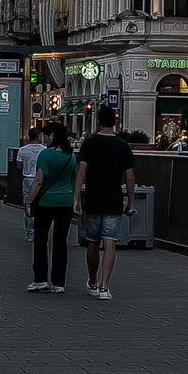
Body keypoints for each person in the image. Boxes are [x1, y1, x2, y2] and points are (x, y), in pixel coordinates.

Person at [74, 106, 137, 300]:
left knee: (93, 242)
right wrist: (131, 202)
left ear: (99, 121)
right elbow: (130, 177)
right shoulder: (122, 145)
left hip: (93, 197)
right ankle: (105, 287)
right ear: (115, 121)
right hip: (113, 198)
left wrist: (76, 198)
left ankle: (92, 281)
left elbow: (82, 171)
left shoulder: (90, 143)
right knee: (110, 240)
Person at [25, 122, 77, 293]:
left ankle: (40, 279)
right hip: (66, 202)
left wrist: (29, 201)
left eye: (46, 136)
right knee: (61, 242)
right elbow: (73, 181)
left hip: (46, 202)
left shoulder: (45, 155)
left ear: (53, 136)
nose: (44, 139)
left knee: (41, 240)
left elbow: (39, 180)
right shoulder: (71, 156)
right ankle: (59, 282)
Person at [15, 127, 46, 240]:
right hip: (41, 179)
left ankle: (30, 232)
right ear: (38, 136)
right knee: (40, 205)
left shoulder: (23, 150)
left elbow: (18, 166)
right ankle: (40, 230)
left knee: (28, 204)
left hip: (28, 178)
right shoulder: (44, 150)